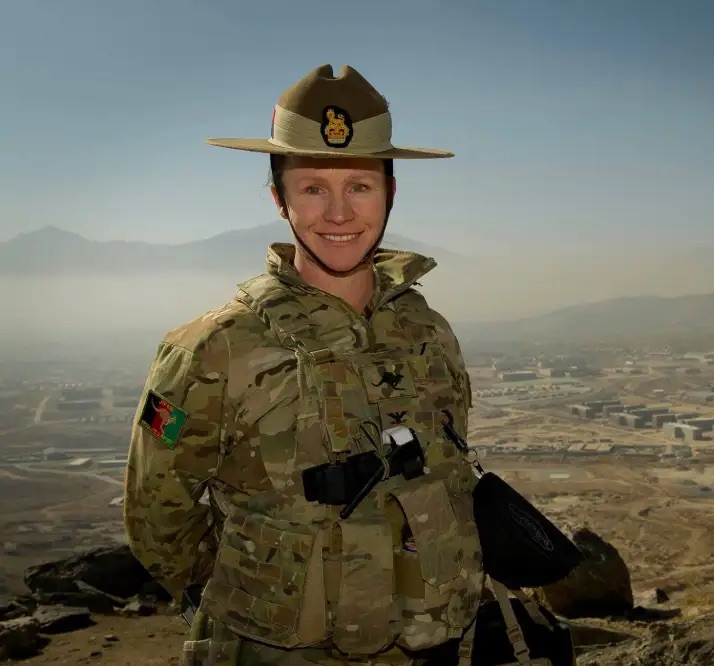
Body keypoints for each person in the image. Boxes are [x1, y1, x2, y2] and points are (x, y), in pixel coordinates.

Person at [123, 64, 486, 666]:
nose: (339, 213)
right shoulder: (212, 347)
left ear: (391, 193)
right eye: (313, 188)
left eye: (360, 186)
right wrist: (248, 597)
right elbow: (156, 515)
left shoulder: (427, 330)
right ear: (278, 198)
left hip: (431, 642)